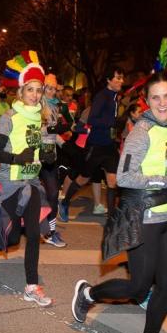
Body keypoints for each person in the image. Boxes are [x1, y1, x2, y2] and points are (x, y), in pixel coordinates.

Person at [72, 73, 167, 333]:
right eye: (155, 97)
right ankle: (89, 293)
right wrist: (166, 182)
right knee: (139, 287)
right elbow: (124, 177)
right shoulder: (142, 132)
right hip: (144, 218)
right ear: (147, 101)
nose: (162, 103)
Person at [0, 51, 53, 305]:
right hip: (11, 183)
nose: (35, 95)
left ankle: (32, 286)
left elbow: (41, 149)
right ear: (21, 91)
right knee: (12, 237)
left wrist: (47, 155)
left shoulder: (41, 117)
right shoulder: (9, 118)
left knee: (35, 233)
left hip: (32, 183)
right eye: (30, 90)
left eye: (39, 90)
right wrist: (18, 158)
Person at [59, 66, 124, 221]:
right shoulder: (102, 96)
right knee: (83, 178)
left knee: (112, 181)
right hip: (96, 145)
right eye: (118, 77)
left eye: (122, 78)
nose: (121, 81)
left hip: (109, 146)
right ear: (109, 80)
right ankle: (65, 203)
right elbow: (92, 120)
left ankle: (111, 218)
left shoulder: (115, 97)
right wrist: (111, 122)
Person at [39, 74, 69, 247]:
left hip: (51, 156)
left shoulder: (56, 107)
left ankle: (50, 232)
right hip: (35, 156)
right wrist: (50, 128)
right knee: (22, 194)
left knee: (52, 194)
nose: (51, 92)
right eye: (48, 88)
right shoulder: (37, 104)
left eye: (53, 89)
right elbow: (36, 130)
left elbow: (54, 133)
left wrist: (65, 145)